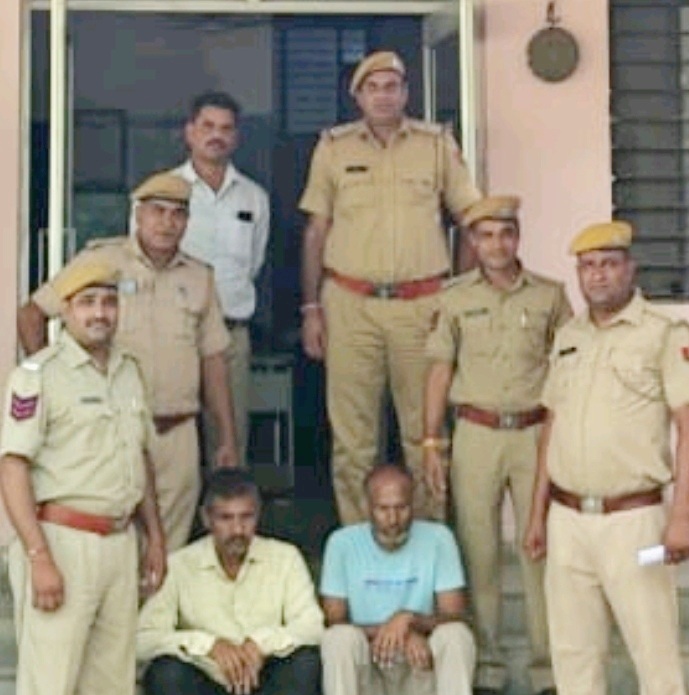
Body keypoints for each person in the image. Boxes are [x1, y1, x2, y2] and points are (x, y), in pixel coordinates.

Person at [299, 50, 481, 524]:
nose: (383, 96)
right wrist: (310, 308)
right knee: (353, 441)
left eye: (392, 86)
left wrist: (460, 295)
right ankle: (359, 545)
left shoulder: (435, 145)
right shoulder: (334, 148)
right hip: (349, 304)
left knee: (426, 435)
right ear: (357, 96)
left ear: (406, 93)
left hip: (422, 307)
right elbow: (316, 231)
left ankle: (428, 544)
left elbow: (471, 220)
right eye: (373, 87)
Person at [17, 171, 238, 551]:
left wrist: (227, 437)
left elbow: (213, 361)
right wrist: (52, 385)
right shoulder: (102, 260)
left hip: (177, 431)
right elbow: (31, 314)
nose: (167, 223)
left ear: (188, 221)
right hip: (113, 427)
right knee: (111, 536)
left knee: (168, 547)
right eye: (157, 212)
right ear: (138, 215)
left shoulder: (199, 277)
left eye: (177, 214)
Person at [524, 221, 689, 695]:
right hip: (568, 520)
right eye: (587, 266)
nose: (597, 275)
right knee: (574, 660)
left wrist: (681, 517)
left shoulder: (662, 333)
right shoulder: (569, 335)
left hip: (633, 520)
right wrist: (536, 514)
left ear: (630, 268)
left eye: (609, 264)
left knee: (655, 657)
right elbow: (552, 427)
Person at [424, 196, 569, 695]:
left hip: (534, 434)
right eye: (485, 235)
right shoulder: (454, 298)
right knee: (479, 552)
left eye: (506, 233)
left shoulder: (550, 295)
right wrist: (431, 440)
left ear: (518, 237)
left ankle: (547, 670)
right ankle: (487, 667)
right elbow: (439, 369)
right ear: (472, 242)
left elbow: (568, 369)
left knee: (538, 550)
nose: (497, 245)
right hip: (476, 433)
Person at [0, 261, 166, 695]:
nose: (100, 313)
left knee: (112, 684)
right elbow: (12, 467)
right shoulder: (39, 375)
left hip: (120, 542)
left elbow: (140, 457)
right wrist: (38, 556)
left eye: (109, 302)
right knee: (50, 682)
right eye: (87, 302)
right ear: (65, 310)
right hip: (62, 541)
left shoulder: (129, 371)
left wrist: (155, 537)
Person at [137, 468, 323, 695]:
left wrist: (259, 644)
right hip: (207, 679)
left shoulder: (285, 557)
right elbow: (145, 639)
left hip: (266, 677)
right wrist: (209, 646)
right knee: (166, 673)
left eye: (246, 517)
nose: (237, 530)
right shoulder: (179, 564)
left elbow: (312, 626)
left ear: (258, 515)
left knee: (305, 663)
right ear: (206, 518)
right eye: (225, 518)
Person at [319, 463, 476, 695]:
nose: (393, 519)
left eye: (401, 508)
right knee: (338, 639)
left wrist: (410, 619)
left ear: (414, 503)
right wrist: (397, 632)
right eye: (383, 509)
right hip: (370, 670)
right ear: (367, 507)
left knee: (456, 635)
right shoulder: (341, 543)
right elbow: (334, 621)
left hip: (420, 666)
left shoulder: (439, 539)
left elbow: (454, 614)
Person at [175, 91, 270, 466]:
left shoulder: (254, 197)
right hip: (175, 334)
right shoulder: (164, 192)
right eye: (208, 126)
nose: (217, 135)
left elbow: (253, 264)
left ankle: (225, 507)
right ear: (190, 132)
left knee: (229, 444)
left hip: (231, 333)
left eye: (226, 128)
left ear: (236, 137)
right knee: (172, 443)